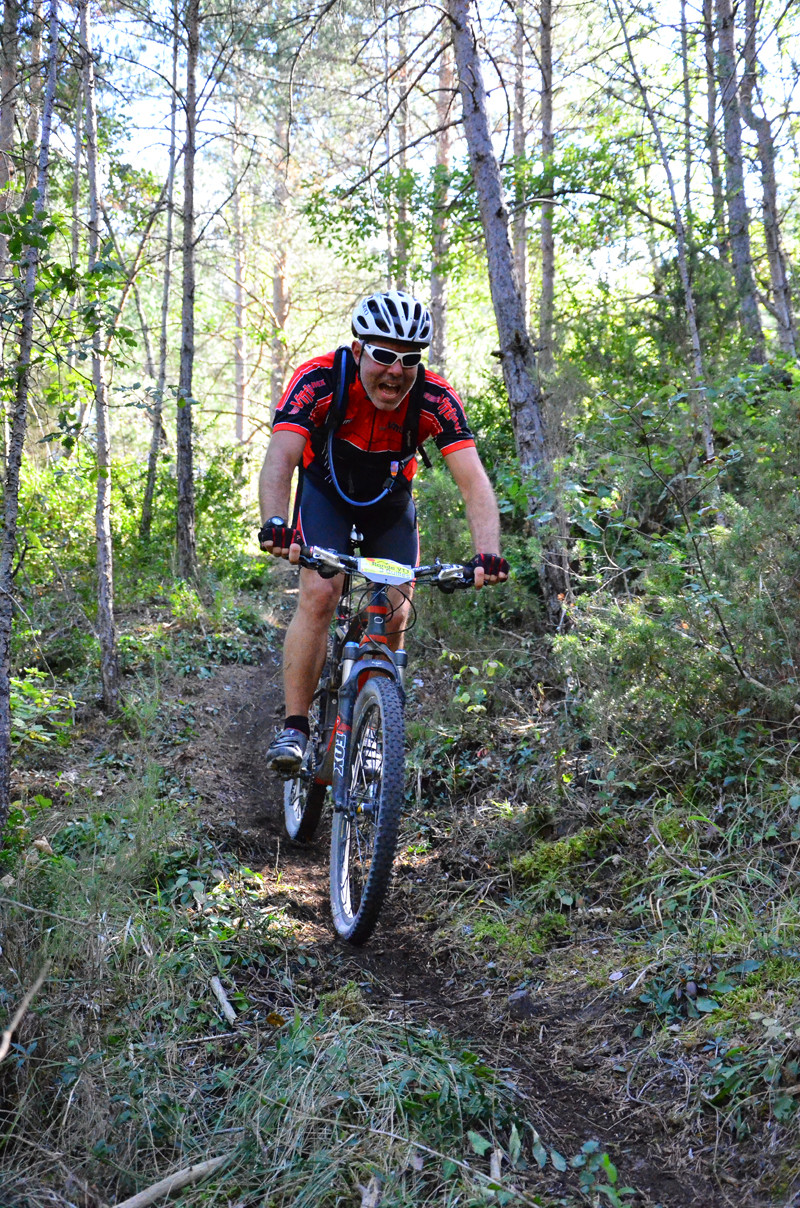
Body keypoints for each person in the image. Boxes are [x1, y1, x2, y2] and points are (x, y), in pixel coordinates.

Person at [258, 289, 509, 775]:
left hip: (388, 504)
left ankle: (373, 725)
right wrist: (275, 522)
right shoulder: (318, 380)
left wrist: (487, 553)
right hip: (324, 493)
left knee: (398, 603)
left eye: (409, 359)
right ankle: (295, 726)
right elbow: (280, 459)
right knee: (320, 590)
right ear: (358, 351)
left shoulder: (435, 396)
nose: (395, 371)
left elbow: (474, 482)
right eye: (383, 356)